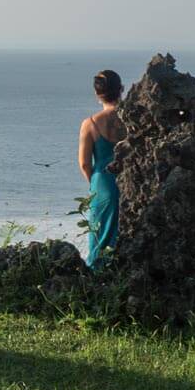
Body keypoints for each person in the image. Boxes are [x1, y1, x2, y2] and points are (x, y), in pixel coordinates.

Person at [80, 70, 124, 266]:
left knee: (100, 237)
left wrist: (95, 185)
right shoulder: (134, 119)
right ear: (121, 89)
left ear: (97, 94)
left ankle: (97, 282)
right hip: (132, 180)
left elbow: (84, 163)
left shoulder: (90, 124)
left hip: (103, 183)